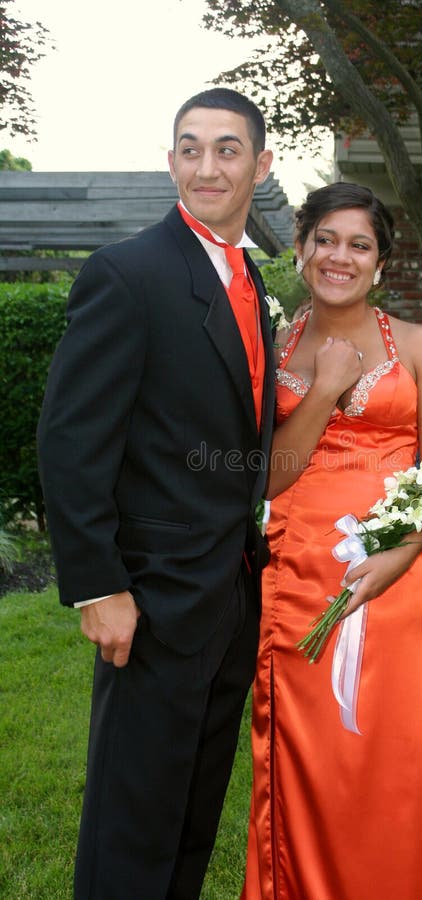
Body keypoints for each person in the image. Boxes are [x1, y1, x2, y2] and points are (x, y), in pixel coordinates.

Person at [37, 87, 275, 900]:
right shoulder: (127, 274)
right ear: (171, 159)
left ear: (261, 165)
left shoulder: (250, 283)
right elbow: (71, 441)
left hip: (228, 596)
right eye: (190, 147)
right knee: (132, 826)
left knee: (189, 821)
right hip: (150, 599)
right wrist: (99, 585)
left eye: (227, 149)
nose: (206, 166)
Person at [242, 182, 422, 899]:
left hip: (389, 585)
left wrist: (395, 560)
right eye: (326, 239)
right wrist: (327, 388)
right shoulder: (270, 346)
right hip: (292, 579)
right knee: (300, 759)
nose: (340, 256)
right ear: (301, 247)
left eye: (358, 244)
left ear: (380, 261)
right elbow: (267, 480)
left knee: (380, 760)